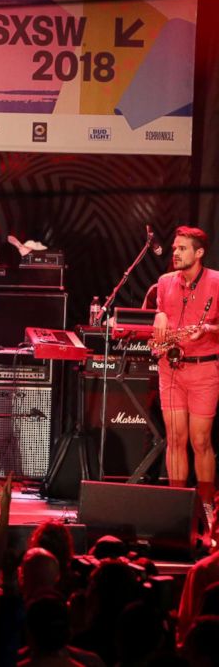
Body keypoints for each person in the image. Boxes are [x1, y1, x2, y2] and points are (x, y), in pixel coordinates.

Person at [152, 225, 219, 531]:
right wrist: (159, 316)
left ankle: (207, 511)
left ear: (199, 253)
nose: (175, 253)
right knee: (176, 439)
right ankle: (178, 511)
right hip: (171, 368)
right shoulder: (165, 282)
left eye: (182, 248)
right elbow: (159, 316)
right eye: (175, 248)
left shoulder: (217, 282)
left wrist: (208, 330)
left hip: (204, 369)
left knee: (200, 441)